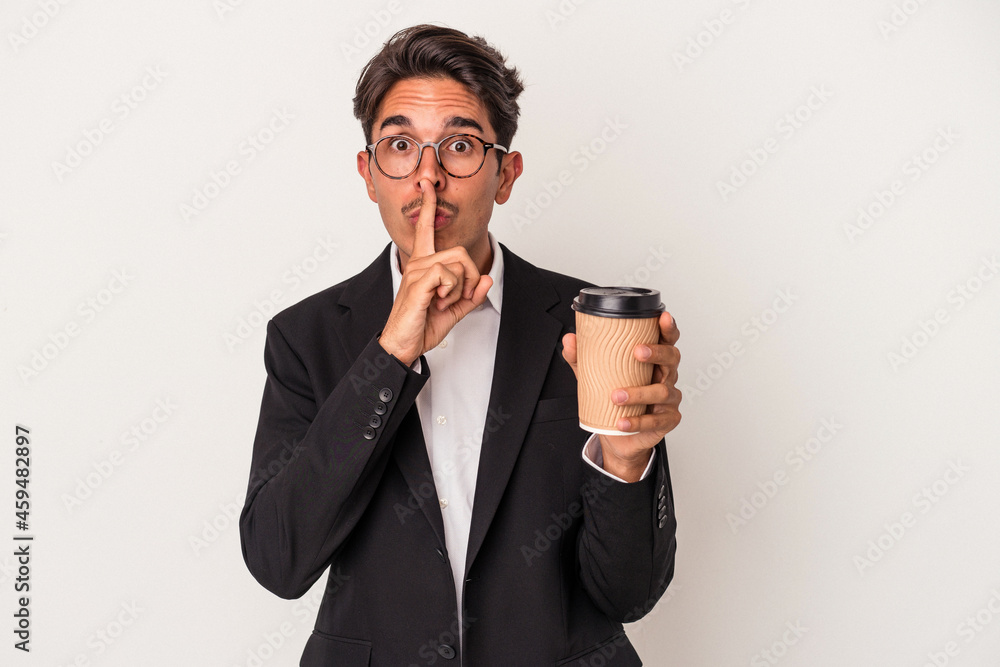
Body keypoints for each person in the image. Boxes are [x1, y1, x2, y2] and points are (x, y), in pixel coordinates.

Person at [239, 24, 681, 666]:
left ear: (506, 174)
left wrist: (625, 462)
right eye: (400, 146)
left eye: (461, 146)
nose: (428, 177)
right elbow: (279, 561)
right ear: (369, 174)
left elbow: (627, 594)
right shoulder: (305, 337)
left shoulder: (588, 327)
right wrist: (389, 355)